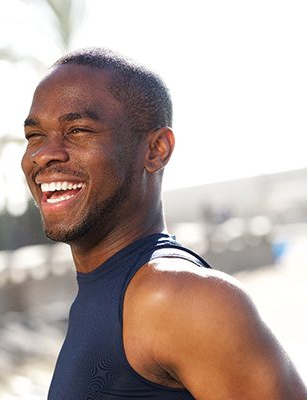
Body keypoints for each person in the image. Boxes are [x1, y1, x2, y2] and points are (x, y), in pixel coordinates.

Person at [21, 47, 307, 399]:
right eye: (34, 136)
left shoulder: (179, 298)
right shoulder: (107, 290)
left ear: (156, 150)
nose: (44, 154)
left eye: (78, 130)